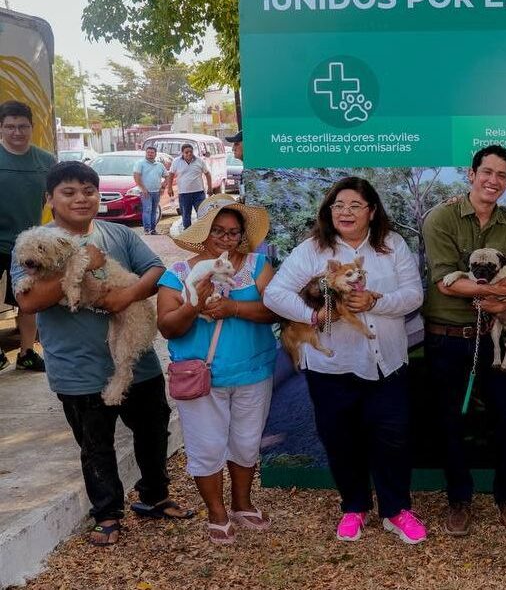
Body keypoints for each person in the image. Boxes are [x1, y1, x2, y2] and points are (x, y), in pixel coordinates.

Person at [12, 161, 194, 546]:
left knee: (152, 431)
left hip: (137, 362)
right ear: (50, 199)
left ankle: (155, 496)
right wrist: (80, 266)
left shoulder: (117, 234)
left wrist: (127, 295)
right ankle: (108, 513)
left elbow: (156, 270)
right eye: (69, 192)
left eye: (88, 191)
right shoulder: (32, 243)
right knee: (96, 444)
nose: (81, 198)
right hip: (77, 369)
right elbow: (27, 302)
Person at [264, 177, 427, 544]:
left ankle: (396, 509)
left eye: (355, 205)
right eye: (339, 205)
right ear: (328, 211)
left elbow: (413, 295)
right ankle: (353, 507)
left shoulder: (392, 246)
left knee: (393, 438)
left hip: (388, 363)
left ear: (371, 211)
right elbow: (275, 294)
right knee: (340, 439)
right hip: (333, 367)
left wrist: (376, 302)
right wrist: (315, 316)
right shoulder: (312, 250)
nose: (346, 212)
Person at [421, 145, 506, 536]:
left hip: (492, 338)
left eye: (501, 175)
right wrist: (503, 292)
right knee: (451, 423)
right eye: (487, 172)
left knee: (505, 420)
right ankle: (459, 501)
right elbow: (445, 282)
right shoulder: (442, 217)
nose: (493, 180)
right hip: (448, 338)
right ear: (472, 174)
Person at [156, 195, 278, 545]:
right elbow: (166, 327)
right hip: (201, 375)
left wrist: (234, 308)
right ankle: (217, 512)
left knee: (246, 441)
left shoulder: (258, 265)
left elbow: (275, 310)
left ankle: (242, 503)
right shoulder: (179, 273)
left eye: (233, 233)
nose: (226, 239)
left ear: (242, 236)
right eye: (218, 232)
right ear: (205, 233)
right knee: (206, 446)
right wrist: (194, 304)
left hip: (253, 371)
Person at [0, 100, 53, 372]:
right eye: (10, 127)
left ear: (32, 127)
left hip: (27, 246)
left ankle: (27, 353)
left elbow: (54, 201)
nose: (17, 132)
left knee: (29, 301)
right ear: (1, 128)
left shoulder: (45, 161)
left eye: (22, 126)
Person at [167, 143, 212, 228]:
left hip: (199, 193)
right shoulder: (176, 161)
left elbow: (207, 174)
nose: (189, 154)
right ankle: (188, 234)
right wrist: (169, 188)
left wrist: (210, 187)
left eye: (191, 152)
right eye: (186, 152)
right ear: (182, 153)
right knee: (186, 215)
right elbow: (171, 174)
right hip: (184, 193)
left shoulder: (199, 161)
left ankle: (202, 232)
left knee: (202, 213)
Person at [132, 145, 167, 235]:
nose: (150, 154)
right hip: (145, 192)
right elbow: (136, 176)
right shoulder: (140, 163)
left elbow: (167, 176)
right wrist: (143, 189)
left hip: (157, 191)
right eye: (148, 152)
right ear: (146, 153)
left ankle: (153, 229)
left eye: (152, 153)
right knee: (147, 209)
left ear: (155, 154)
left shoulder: (159, 165)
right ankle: (147, 230)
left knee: (154, 210)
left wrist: (163, 187)